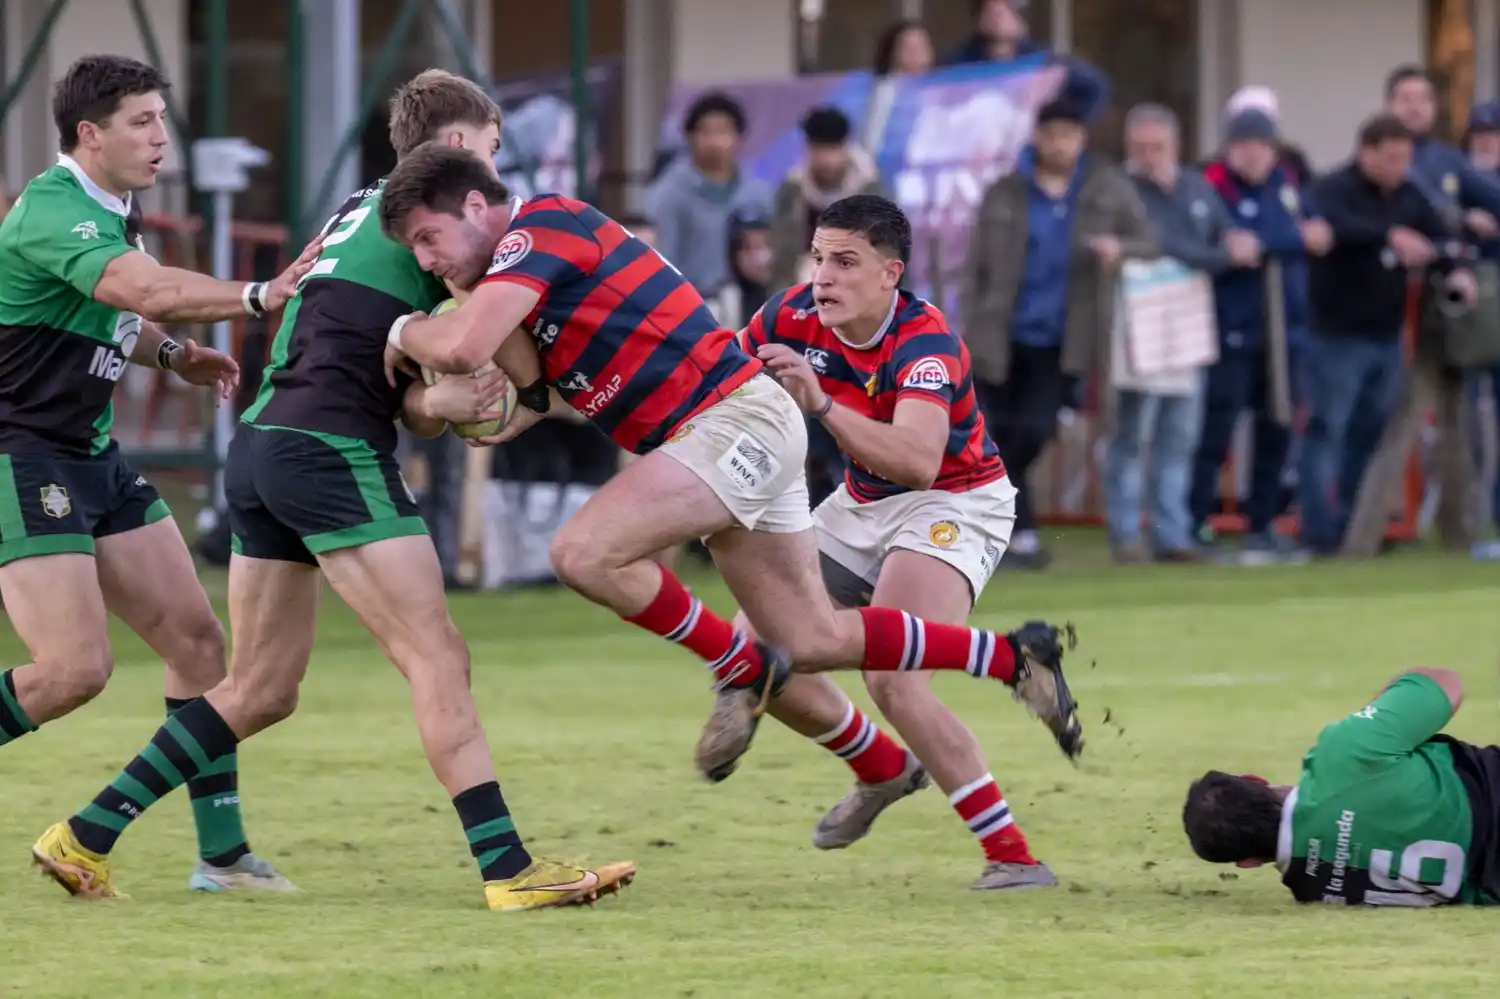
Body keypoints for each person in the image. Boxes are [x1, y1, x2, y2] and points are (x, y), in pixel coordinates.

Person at [33, 69, 636, 911]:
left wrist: (437, 400)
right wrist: (522, 393)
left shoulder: (363, 207)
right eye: (493, 154)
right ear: (458, 149)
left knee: (260, 689)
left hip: (265, 444)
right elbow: (463, 353)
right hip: (327, 447)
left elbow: (403, 382)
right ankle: (506, 868)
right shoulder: (443, 223)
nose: (498, 185)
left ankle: (84, 833)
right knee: (437, 654)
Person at [375, 144, 1084, 786]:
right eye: (818, 259)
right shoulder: (779, 312)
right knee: (809, 640)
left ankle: (745, 668)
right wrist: (452, 401)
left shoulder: (543, 226)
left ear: (476, 205)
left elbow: (465, 346)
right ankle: (1002, 667)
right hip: (762, 451)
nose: (429, 261)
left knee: (585, 553)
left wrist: (404, 329)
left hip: (832, 460)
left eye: (427, 239)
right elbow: (533, 389)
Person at [3, 54, 318, 894]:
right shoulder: (52, 208)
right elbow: (138, 286)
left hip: (93, 455)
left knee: (198, 642)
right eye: (142, 122)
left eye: (160, 119)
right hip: (22, 457)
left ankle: (222, 858)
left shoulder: (115, 206)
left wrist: (171, 354)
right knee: (72, 671)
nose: (159, 139)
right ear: (89, 134)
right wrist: (256, 295)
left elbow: (116, 312)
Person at [737, 194, 1067, 890]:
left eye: (846, 262)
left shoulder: (925, 339)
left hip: (955, 500)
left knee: (893, 677)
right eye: (820, 257)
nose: (824, 276)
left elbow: (918, 460)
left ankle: (1014, 856)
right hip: (861, 502)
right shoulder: (789, 315)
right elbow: (706, 381)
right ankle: (882, 767)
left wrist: (820, 404)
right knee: (751, 656)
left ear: (891, 273)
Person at [1298, 114, 1473, 557]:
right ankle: (1320, 530)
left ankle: (1357, 529)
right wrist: (1389, 236)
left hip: (1386, 334)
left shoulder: (1410, 195)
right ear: (1367, 152)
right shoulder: (1334, 189)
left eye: (1405, 159)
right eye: (1391, 158)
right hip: (1337, 334)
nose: (1399, 167)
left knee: (1370, 433)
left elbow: (1438, 235)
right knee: (1327, 431)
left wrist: (1456, 270)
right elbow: (1333, 226)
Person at [1183, 667, 1500, 906]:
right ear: (1255, 780)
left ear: (1248, 862)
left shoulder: (1314, 893)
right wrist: (1366, 722)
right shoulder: (1343, 753)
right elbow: (1443, 682)